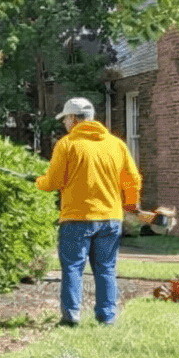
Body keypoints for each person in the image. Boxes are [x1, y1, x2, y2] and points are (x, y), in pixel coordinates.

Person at [33, 96, 142, 327]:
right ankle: (107, 317)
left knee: (73, 267)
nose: (64, 124)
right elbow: (132, 179)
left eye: (65, 119)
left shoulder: (67, 144)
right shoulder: (116, 145)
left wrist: (38, 182)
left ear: (73, 119)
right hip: (111, 217)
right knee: (106, 268)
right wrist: (131, 204)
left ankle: (71, 315)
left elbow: (52, 181)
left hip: (76, 218)